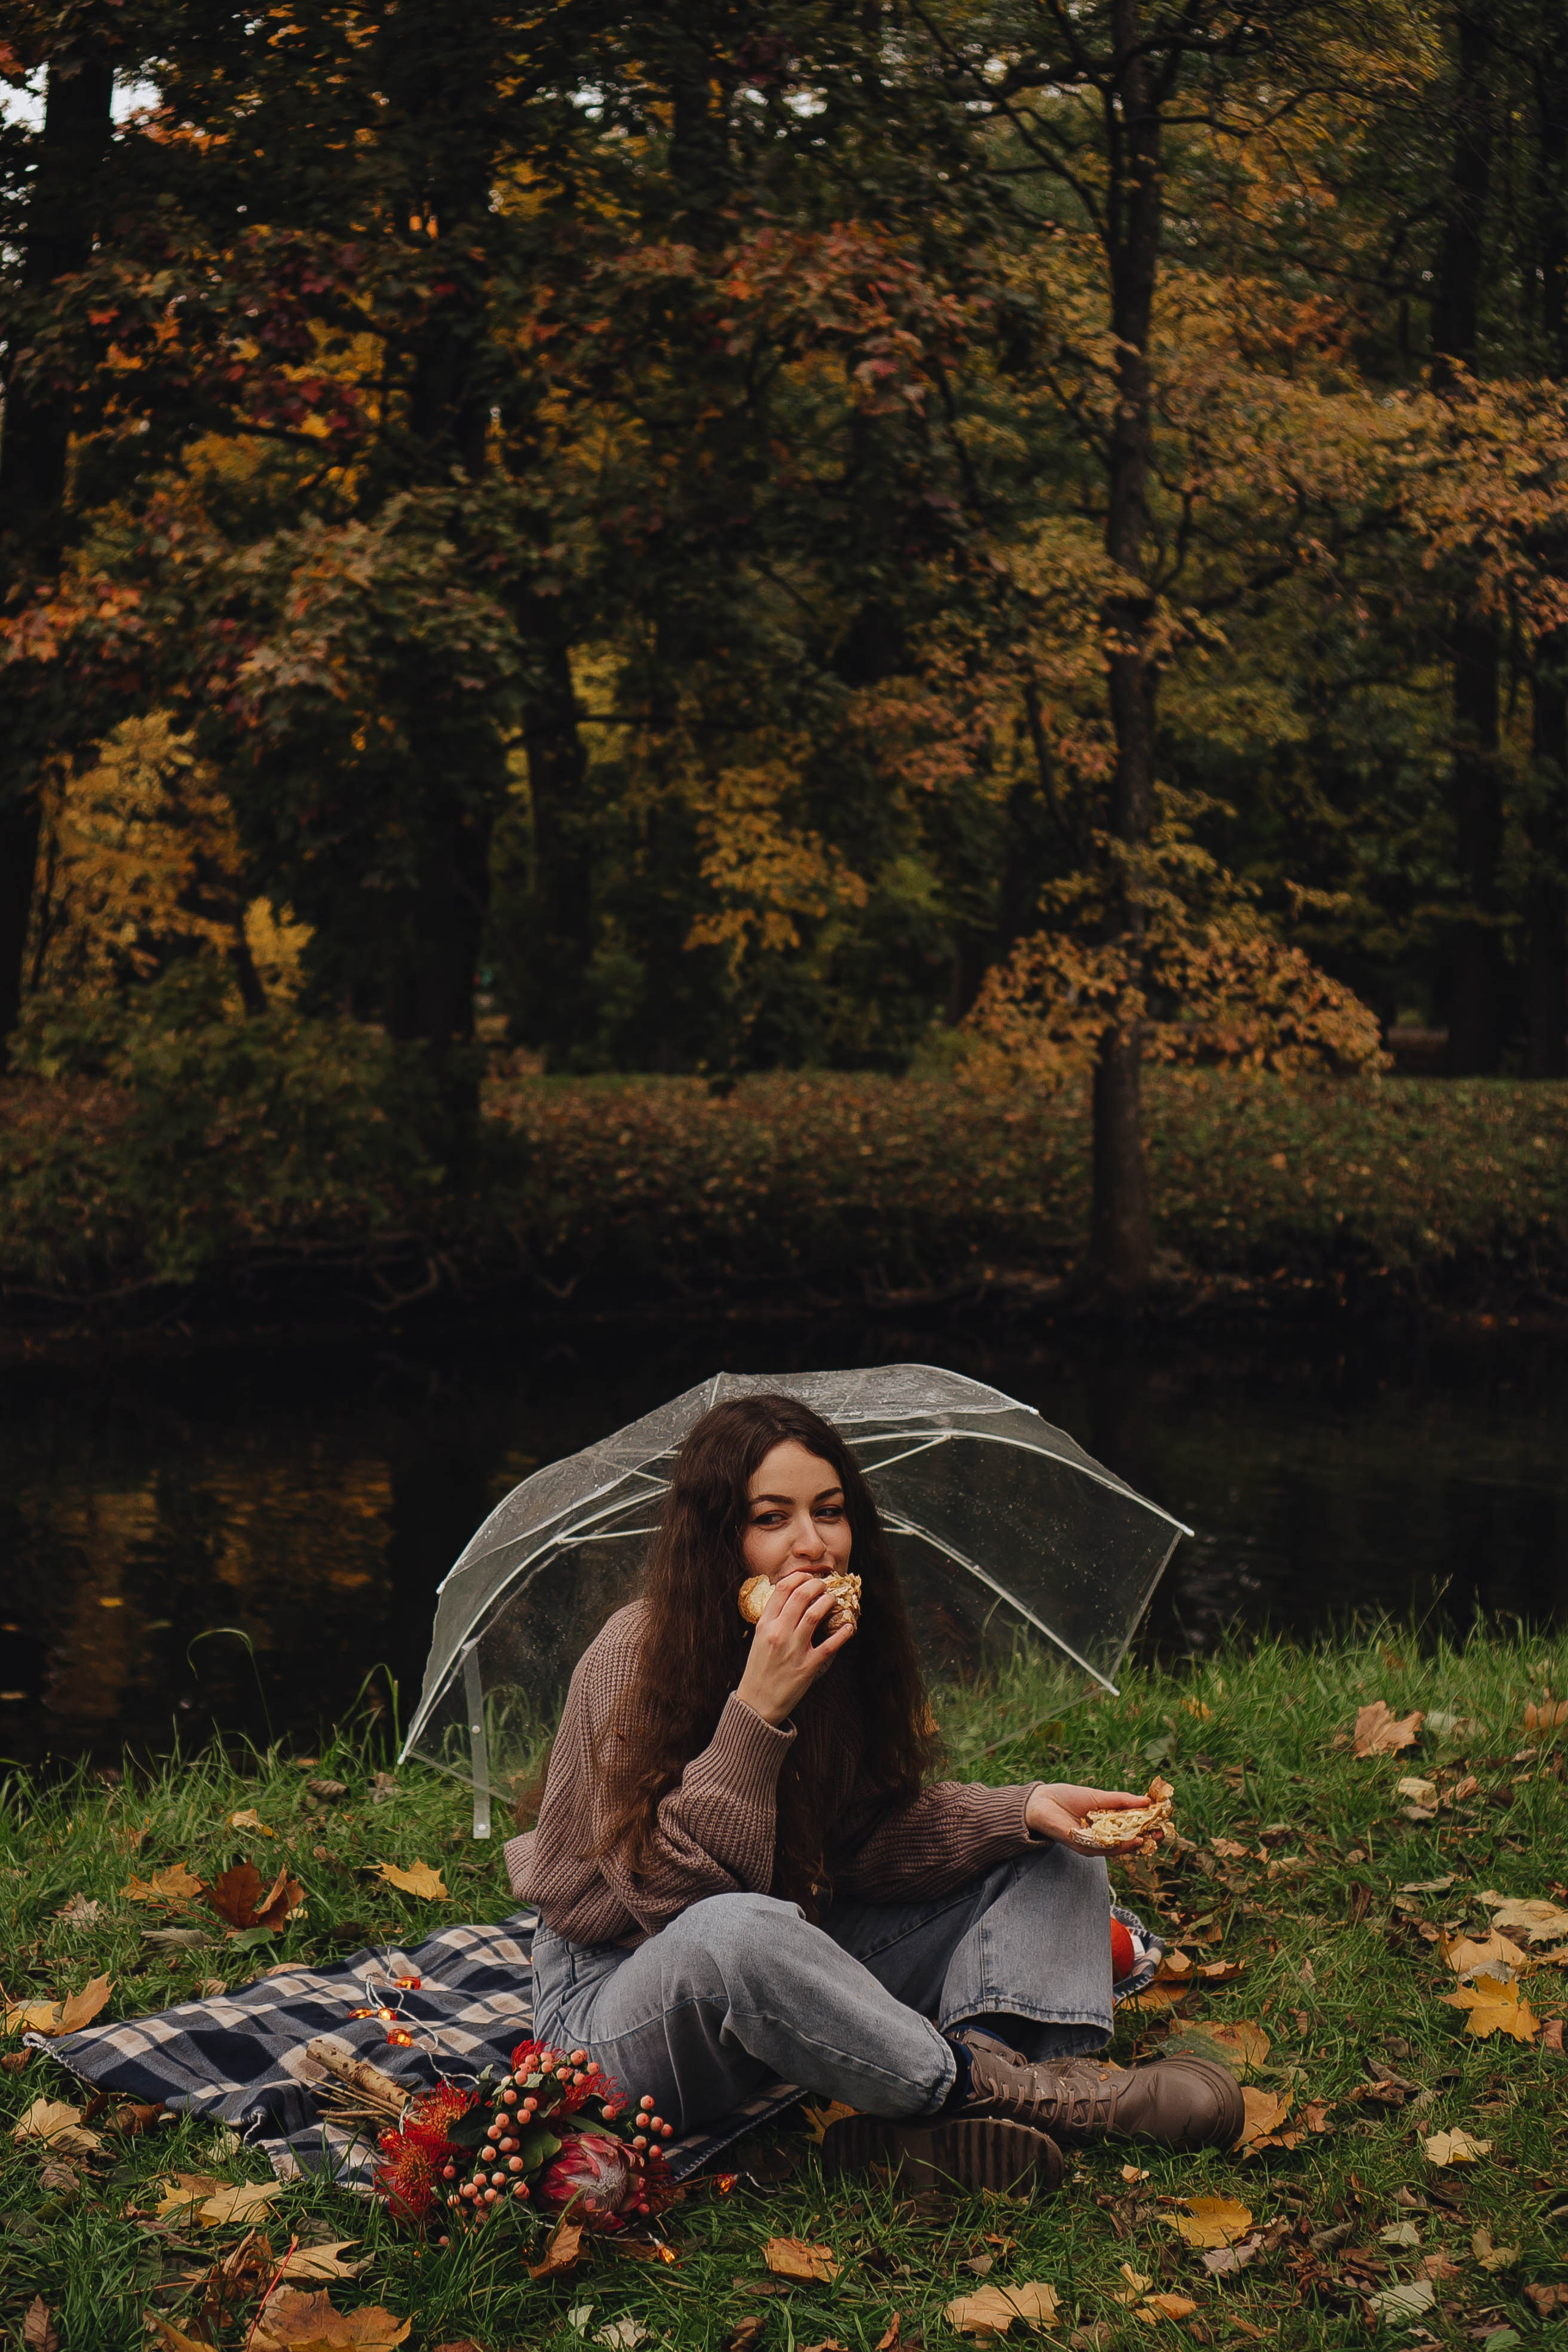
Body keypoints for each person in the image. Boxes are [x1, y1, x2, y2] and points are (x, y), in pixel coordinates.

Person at [506, 1393, 1242, 2192]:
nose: (813, 1545)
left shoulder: (840, 1648)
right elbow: (672, 1905)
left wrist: (1019, 1811)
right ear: (720, 1538)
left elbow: (860, 1844)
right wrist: (756, 1712)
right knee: (739, 1929)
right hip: (620, 2006)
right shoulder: (633, 1655)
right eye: (772, 1518)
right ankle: (992, 2091)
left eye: (830, 1512)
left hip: (790, 1958)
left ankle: (974, 2095)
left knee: (1054, 1854)